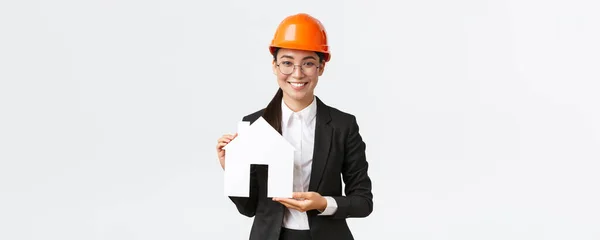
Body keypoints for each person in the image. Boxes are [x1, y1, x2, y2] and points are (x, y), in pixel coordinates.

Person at [215, 13, 373, 240]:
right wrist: (231, 170)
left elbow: (363, 202)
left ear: (321, 67)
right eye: (287, 63)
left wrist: (323, 203)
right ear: (275, 66)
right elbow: (248, 208)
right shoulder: (255, 125)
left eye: (308, 63)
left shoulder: (343, 126)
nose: (297, 74)